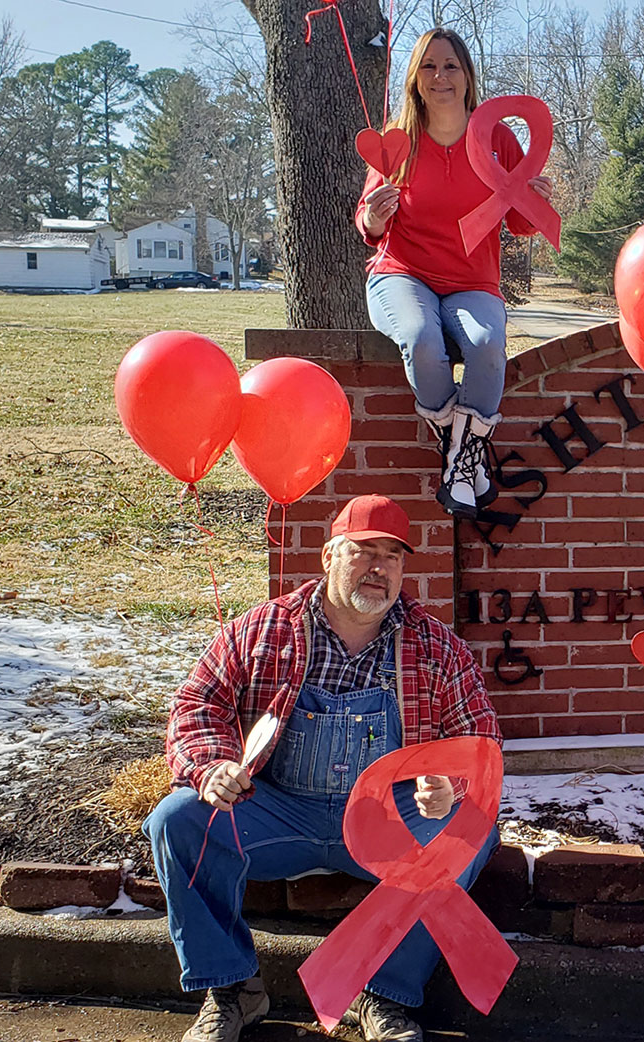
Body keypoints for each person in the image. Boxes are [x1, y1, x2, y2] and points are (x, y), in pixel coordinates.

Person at [145, 495, 502, 1042]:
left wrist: (449, 783)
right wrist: (212, 765)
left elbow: (479, 738)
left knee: (470, 836)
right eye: (363, 552)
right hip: (277, 809)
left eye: (393, 557)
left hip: (388, 823)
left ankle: (384, 997)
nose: (379, 568)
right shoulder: (263, 631)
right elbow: (198, 703)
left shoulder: (435, 646)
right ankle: (234, 990)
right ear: (329, 556)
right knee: (178, 820)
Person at [357, 28, 553, 519]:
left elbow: (519, 224)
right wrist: (375, 217)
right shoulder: (397, 139)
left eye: (450, 66)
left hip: (472, 281)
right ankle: (465, 458)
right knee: (422, 337)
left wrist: (535, 199)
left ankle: (460, 457)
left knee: (489, 343)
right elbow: (367, 221)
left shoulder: (495, 137)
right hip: (403, 273)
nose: (439, 76)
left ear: (467, 75)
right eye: (428, 66)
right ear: (414, 78)